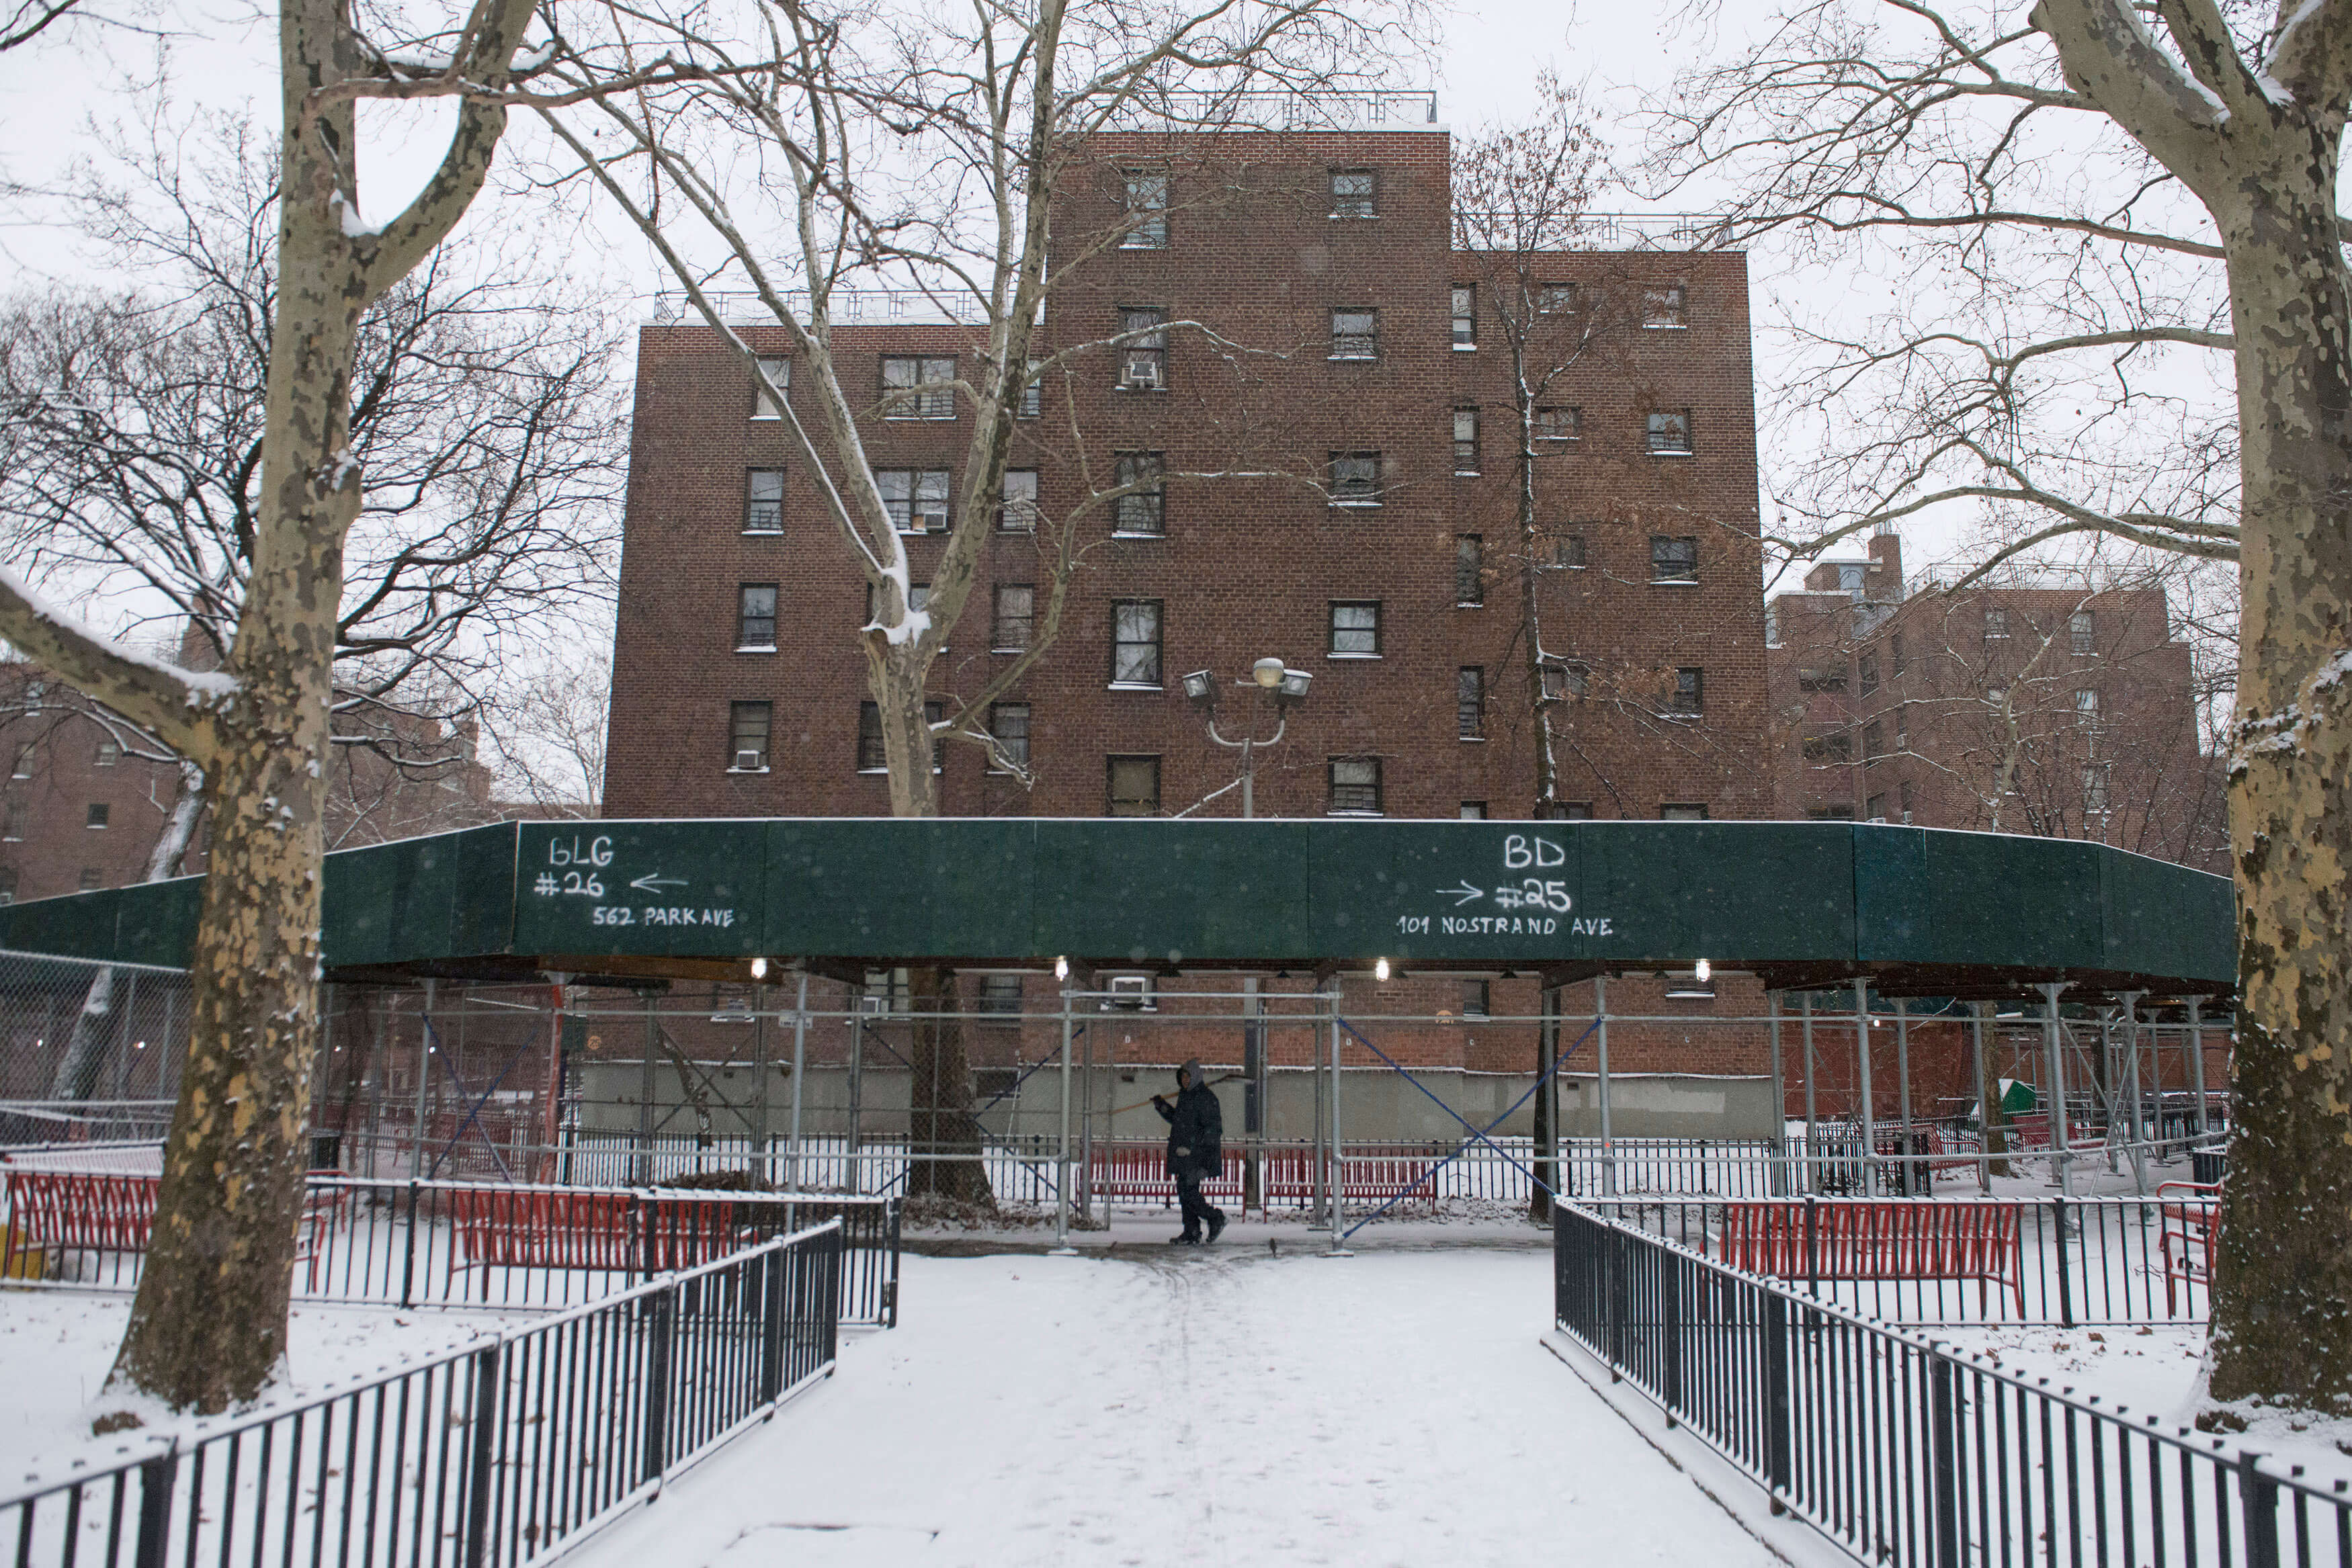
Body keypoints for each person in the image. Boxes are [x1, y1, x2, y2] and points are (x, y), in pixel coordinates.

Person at [1151, 1058, 1225, 1245]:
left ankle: (1215, 1218)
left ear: (1196, 1077)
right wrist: (1162, 1107)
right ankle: (1191, 1231)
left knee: (1189, 1191)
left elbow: (1212, 1129)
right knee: (1185, 1190)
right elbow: (1179, 1120)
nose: (1185, 1080)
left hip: (1197, 1156)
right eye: (1183, 1076)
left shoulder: (1206, 1098)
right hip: (1184, 1155)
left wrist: (1196, 1149)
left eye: (1188, 1076)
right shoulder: (1186, 1097)